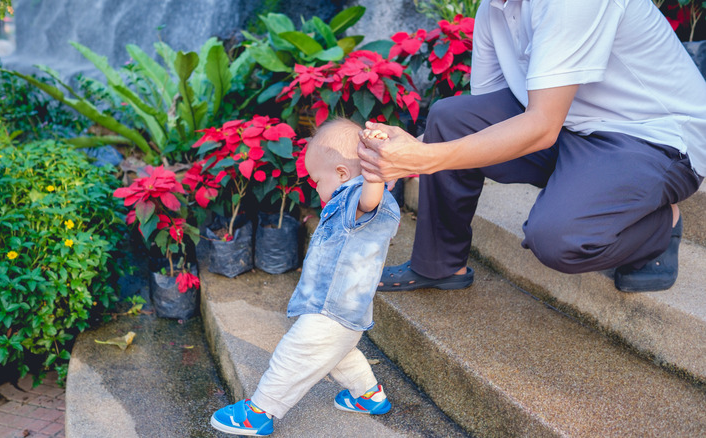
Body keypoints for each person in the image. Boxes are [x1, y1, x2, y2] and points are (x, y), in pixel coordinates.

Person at [359, 0, 706, 293]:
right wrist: (403, 152)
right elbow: (489, 117)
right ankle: (439, 266)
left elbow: (540, 127)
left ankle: (661, 226)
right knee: (451, 117)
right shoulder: (495, 8)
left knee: (559, 240)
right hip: (571, 126)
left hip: (652, 138)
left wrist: (424, 159)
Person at [210, 118, 400, 436]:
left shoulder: (359, 198)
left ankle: (258, 412)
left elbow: (370, 198)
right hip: (342, 313)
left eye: (316, 180)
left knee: (293, 355)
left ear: (341, 173)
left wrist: (374, 168)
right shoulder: (347, 200)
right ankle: (369, 396)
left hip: (332, 311)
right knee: (340, 355)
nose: (315, 187)